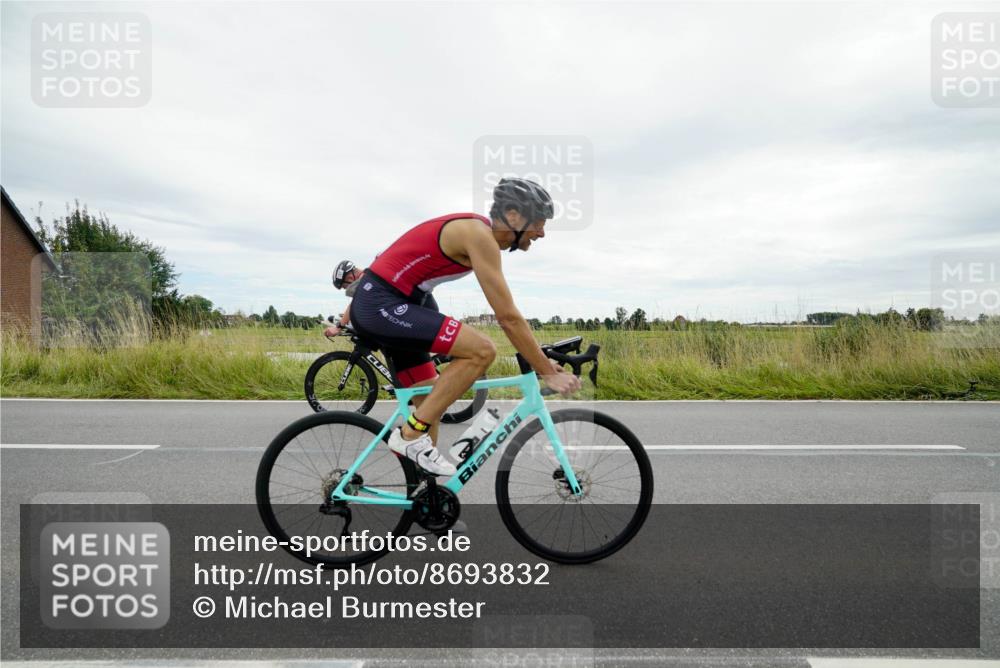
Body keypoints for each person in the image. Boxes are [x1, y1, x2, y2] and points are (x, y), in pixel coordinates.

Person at [348, 177, 581, 476]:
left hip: (403, 300)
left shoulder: (479, 233)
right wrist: (545, 370)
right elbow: (507, 317)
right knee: (481, 351)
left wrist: (541, 361)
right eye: (539, 221)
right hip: (382, 303)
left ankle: (427, 503)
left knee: (428, 401)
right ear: (513, 216)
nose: (542, 232)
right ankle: (409, 436)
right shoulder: (479, 235)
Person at [324, 260, 363, 338]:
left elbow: (354, 304)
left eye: (345, 287)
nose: (346, 289)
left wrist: (339, 327)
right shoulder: (368, 277)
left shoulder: (366, 281)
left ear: (350, 278)